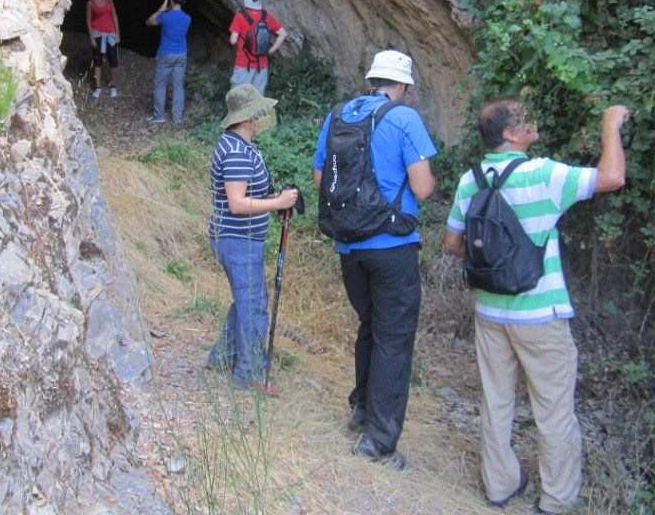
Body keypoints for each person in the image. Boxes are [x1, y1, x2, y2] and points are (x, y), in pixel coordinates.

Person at [442, 97, 629, 514]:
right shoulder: (543, 174)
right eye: (526, 119)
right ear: (510, 134)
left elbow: (452, 243)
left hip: (490, 312)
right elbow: (612, 177)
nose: (533, 122)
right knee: (553, 409)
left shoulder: (471, 180)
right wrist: (610, 123)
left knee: (496, 402)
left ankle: (499, 488)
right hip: (539, 315)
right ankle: (556, 500)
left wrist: (495, 261)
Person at [312, 49, 438, 471]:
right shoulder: (403, 118)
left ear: (370, 80)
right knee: (394, 338)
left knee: (371, 326)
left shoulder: (337, 115)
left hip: (350, 247)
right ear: (400, 86)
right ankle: (379, 442)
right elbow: (421, 189)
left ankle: (362, 411)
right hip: (392, 247)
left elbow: (319, 177)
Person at [208, 83, 299, 396]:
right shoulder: (235, 152)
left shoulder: (237, 145)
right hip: (238, 241)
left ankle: (221, 358)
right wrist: (278, 204)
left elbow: (247, 195)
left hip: (237, 239)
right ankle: (248, 373)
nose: (263, 116)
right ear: (246, 118)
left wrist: (273, 197)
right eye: (258, 111)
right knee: (254, 307)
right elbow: (236, 203)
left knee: (246, 301)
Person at [228, 0, 287, 96]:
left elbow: (233, 40)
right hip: (262, 66)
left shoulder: (240, 17)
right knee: (258, 102)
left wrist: (241, 43)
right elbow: (283, 34)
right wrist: (271, 50)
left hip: (244, 65)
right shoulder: (266, 16)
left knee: (239, 100)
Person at [146, 0, 192, 124]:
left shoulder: (165, 16)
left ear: (171, 1)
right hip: (181, 54)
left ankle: (158, 116)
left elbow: (149, 22)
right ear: (183, 1)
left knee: (160, 85)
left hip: (165, 54)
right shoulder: (187, 18)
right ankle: (177, 118)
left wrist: (162, 9)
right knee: (178, 85)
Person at [85, 0, 120, 98]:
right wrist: (91, 37)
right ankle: (98, 88)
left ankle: (113, 86)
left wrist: (117, 33)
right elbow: (88, 20)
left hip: (110, 34)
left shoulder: (110, 1)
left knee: (113, 61)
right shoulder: (90, 3)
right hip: (97, 35)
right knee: (98, 61)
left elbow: (114, 16)